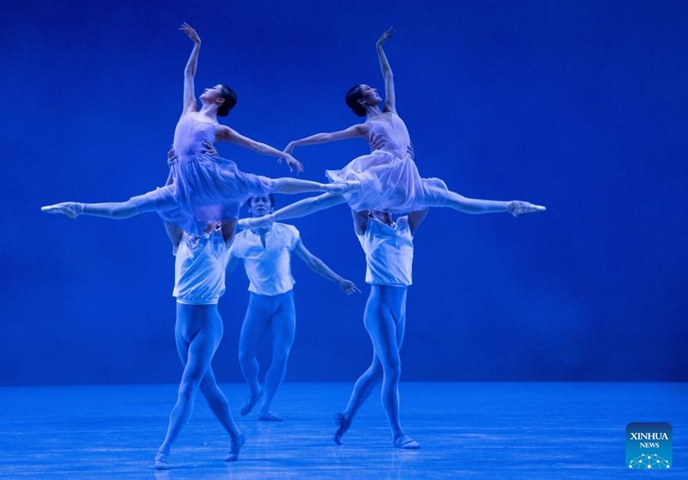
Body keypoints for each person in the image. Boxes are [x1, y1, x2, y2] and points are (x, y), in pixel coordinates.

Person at [41, 23, 350, 235]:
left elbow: (254, 145)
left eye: (213, 87)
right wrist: (197, 45)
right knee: (131, 207)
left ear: (220, 98)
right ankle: (76, 207)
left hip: (210, 174)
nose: (206, 87)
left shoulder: (218, 128)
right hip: (185, 182)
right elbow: (188, 73)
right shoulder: (189, 109)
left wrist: (284, 153)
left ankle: (326, 188)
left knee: (267, 184)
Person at [239, 27, 545, 230]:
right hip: (378, 173)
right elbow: (328, 136)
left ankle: (511, 206)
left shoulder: (390, 110)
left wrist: (379, 48)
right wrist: (296, 143)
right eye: (368, 88)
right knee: (326, 199)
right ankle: (266, 218)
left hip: (405, 175)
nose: (375, 88)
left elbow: (389, 75)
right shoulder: (366, 125)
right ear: (362, 99)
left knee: (454, 199)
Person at [227, 195, 360, 421]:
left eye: (264, 201)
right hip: (257, 303)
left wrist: (339, 280)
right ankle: (254, 391)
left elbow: (311, 261)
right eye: (255, 201)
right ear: (249, 208)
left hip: (283, 303)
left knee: (281, 355)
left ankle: (266, 407)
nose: (260, 204)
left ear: (271, 207)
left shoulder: (288, 232)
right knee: (244, 356)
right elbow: (225, 272)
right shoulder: (239, 240)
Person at [333, 207, 428, 449]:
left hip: (400, 308)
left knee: (378, 369)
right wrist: (375, 183)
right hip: (379, 309)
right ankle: (398, 434)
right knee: (393, 369)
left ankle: (347, 417)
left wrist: (406, 186)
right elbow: (357, 204)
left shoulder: (404, 226)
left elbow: (425, 200)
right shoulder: (367, 229)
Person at [155, 218, 244, 469]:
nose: (199, 219)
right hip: (180, 326)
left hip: (207, 325)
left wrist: (225, 184)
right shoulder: (180, 240)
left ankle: (164, 449)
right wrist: (175, 178)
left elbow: (231, 209)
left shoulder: (220, 241)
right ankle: (236, 435)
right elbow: (168, 206)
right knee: (208, 386)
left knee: (187, 387)